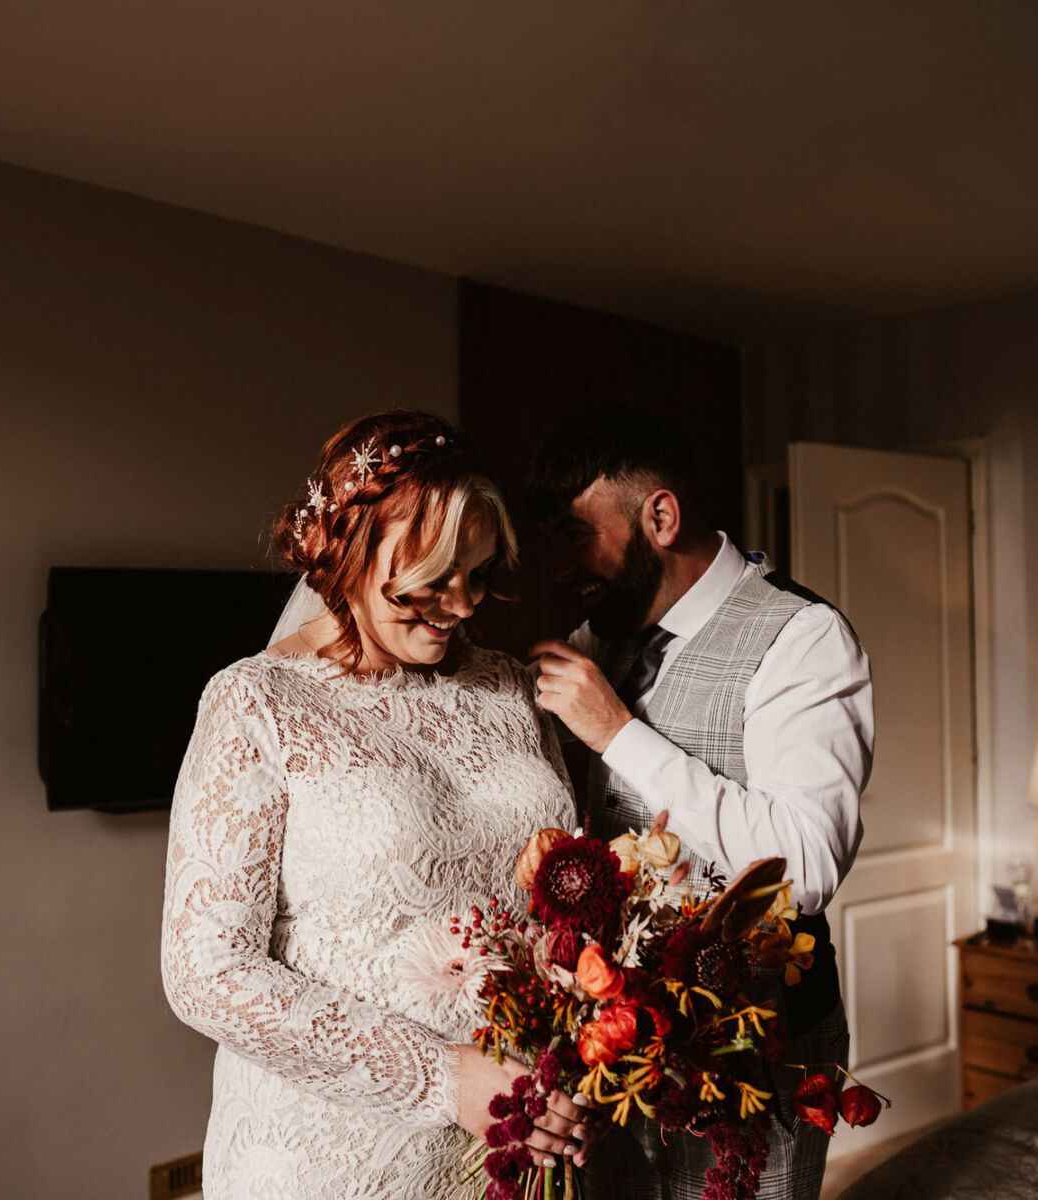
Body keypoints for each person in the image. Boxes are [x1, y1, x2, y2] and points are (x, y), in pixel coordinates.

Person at [161, 411, 600, 1198]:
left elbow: (560, 884)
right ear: (351, 550)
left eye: (477, 573)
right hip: (332, 1157)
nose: (462, 604)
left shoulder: (504, 685)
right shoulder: (256, 703)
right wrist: (445, 1078)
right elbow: (206, 972)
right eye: (433, 578)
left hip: (511, 1145)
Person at [527, 406, 874, 1200]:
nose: (561, 568)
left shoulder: (804, 638)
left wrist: (618, 734)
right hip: (611, 1051)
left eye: (578, 537)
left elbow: (807, 867)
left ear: (660, 516)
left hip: (754, 1056)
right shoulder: (597, 641)